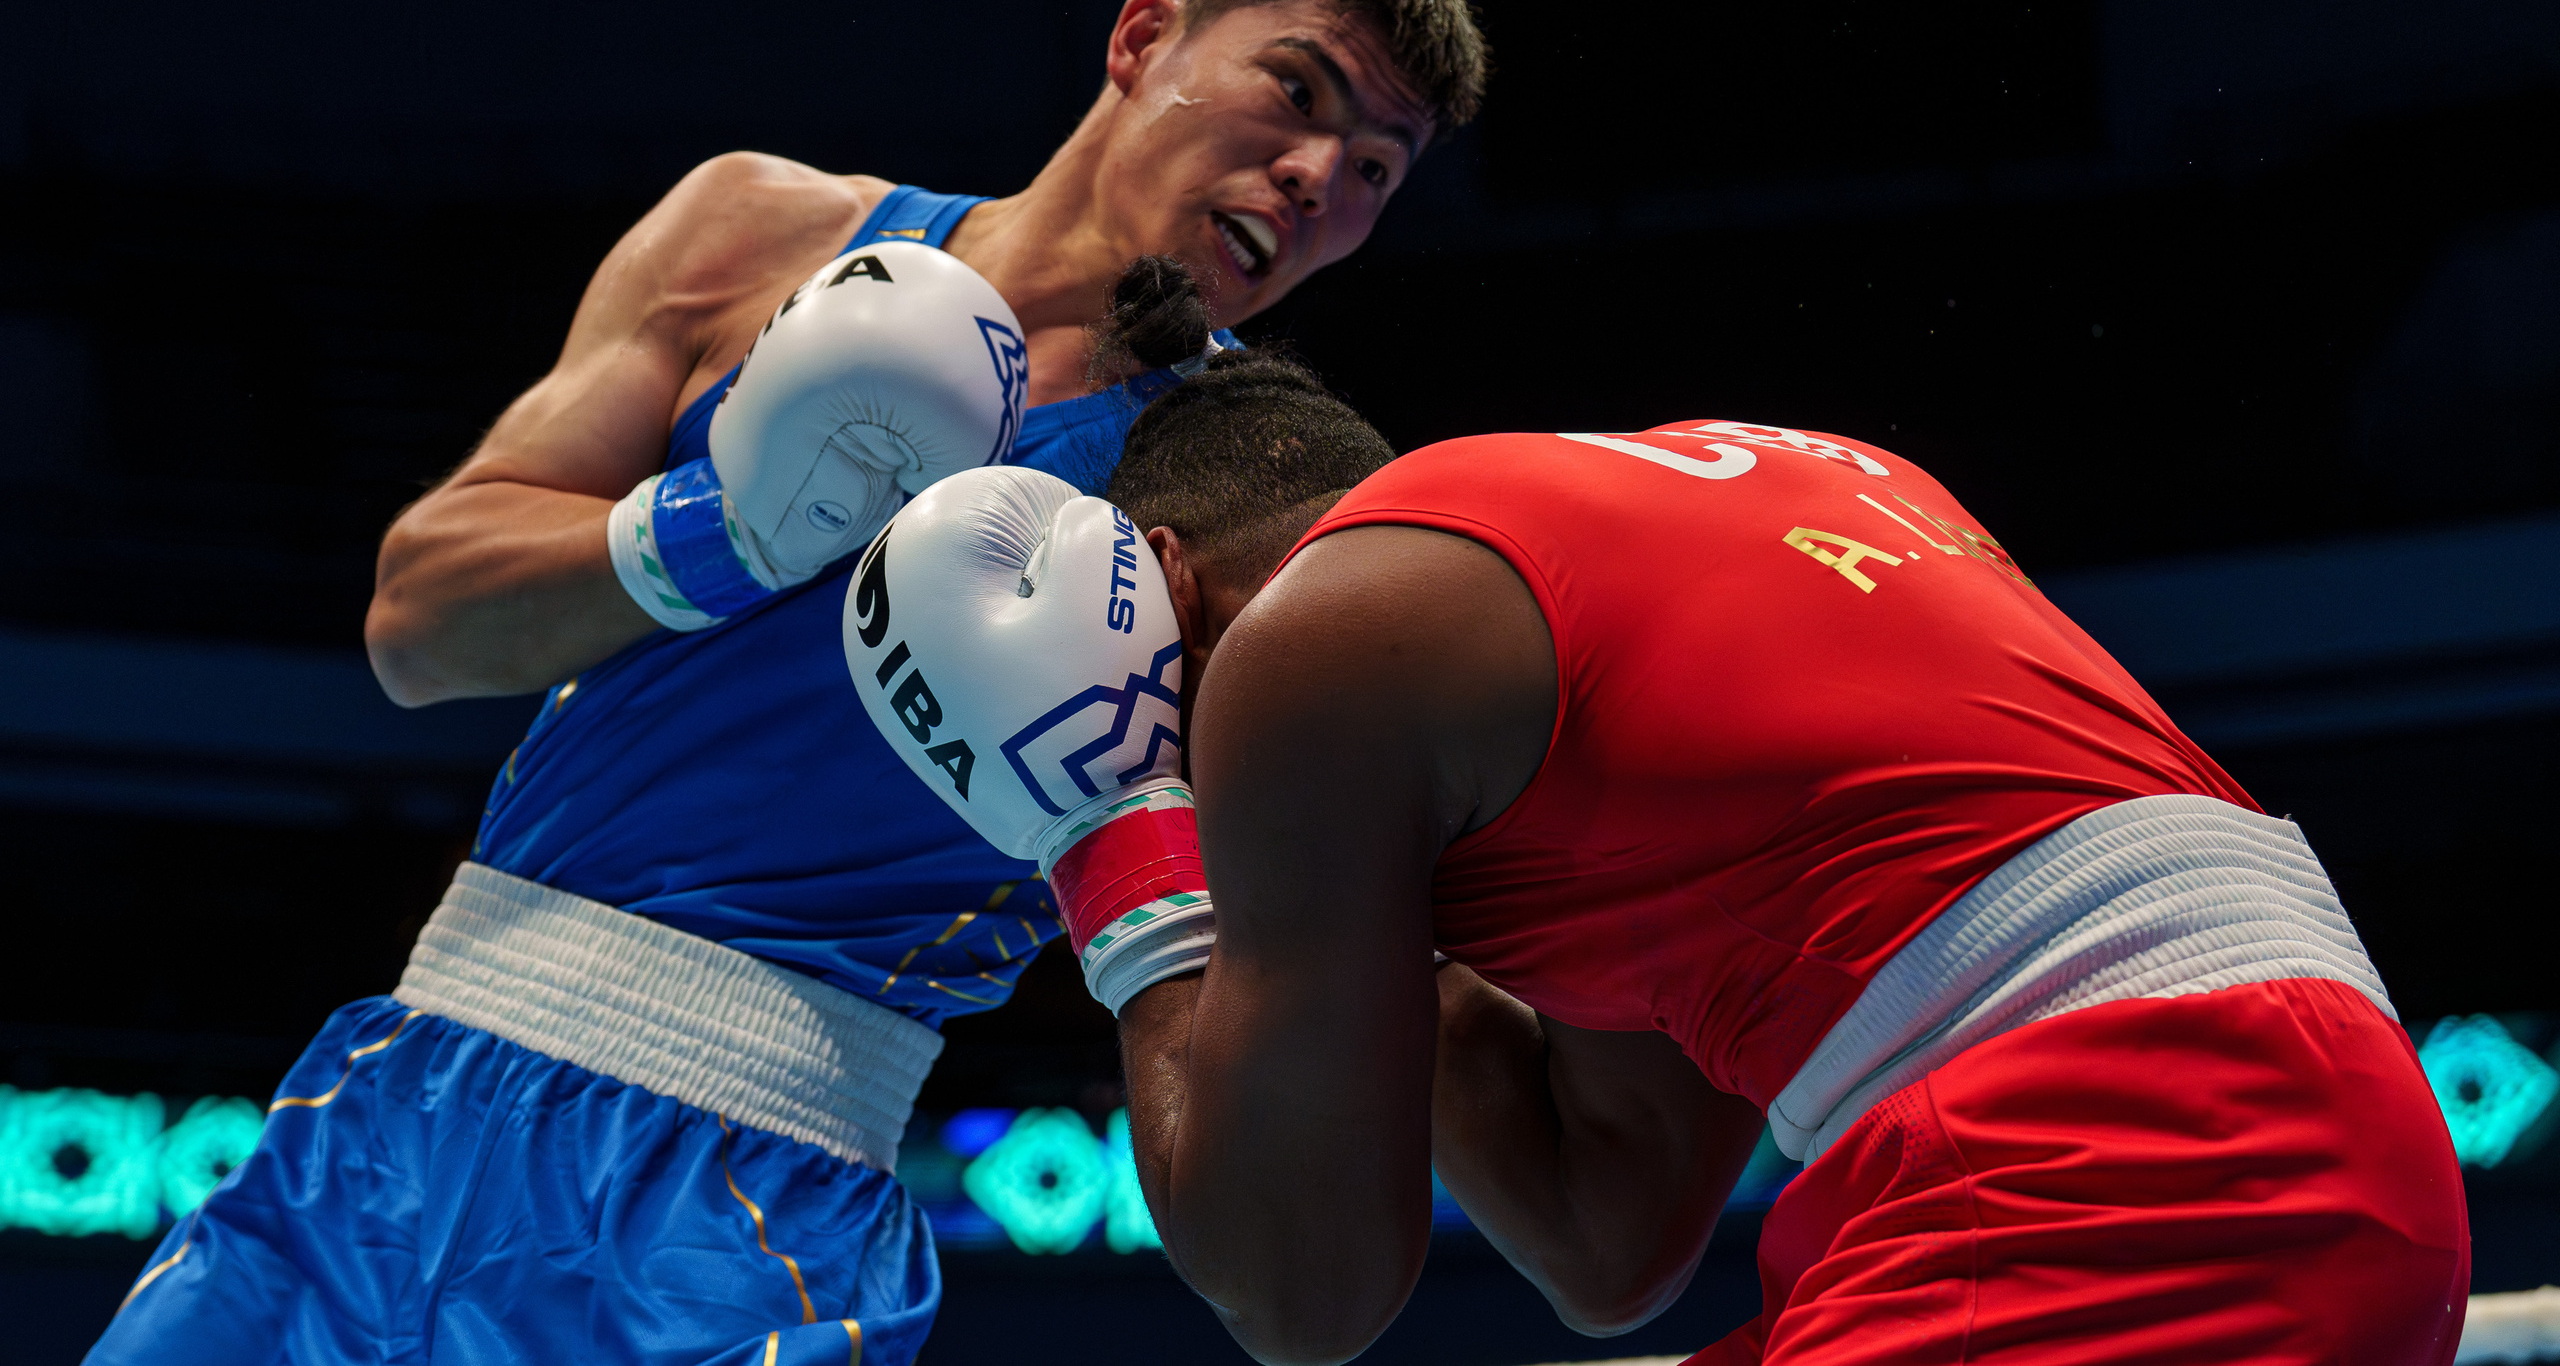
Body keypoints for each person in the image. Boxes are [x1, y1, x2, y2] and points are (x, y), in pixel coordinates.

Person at [88, 0, 1486, 1366]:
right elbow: (417, 627)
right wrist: (730, 526)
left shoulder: (1250, 494)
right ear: (1145, 38)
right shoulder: (760, 237)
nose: (1318, 173)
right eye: (1299, 90)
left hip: (744, 1208)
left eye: (1376, 169)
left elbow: (1312, 917)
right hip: (389, 1112)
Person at [865, 280, 2471, 1366]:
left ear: (1159, 582)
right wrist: (1383, 921)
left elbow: (1303, 1292)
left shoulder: (1312, 649)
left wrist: (1108, 820)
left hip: (2113, 1162)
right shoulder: (1666, 531)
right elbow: (1606, 1229)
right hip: (2308, 1131)